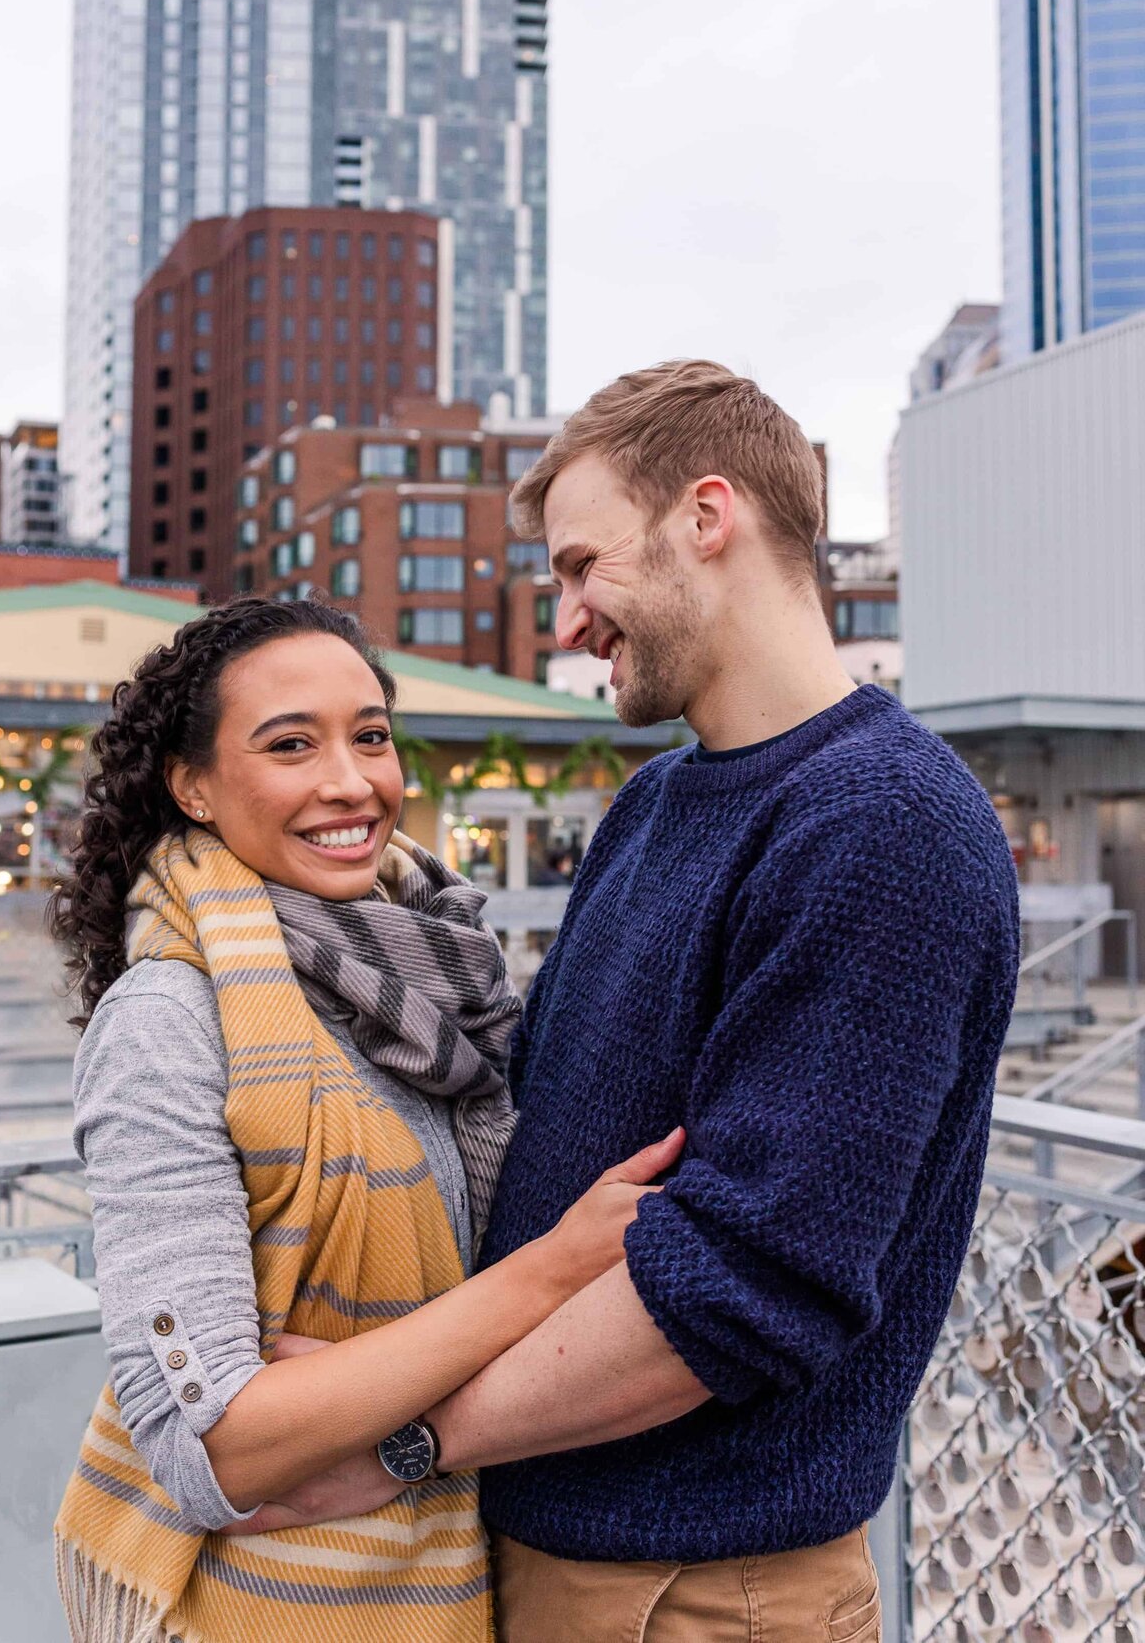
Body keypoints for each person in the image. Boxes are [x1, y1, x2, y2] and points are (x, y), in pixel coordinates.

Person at [255, 361, 1021, 1642]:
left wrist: (395, 1438)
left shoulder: (884, 823)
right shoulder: (659, 804)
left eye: (579, 565)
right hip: (551, 1548)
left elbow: (740, 1286)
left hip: (701, 1591)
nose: (566, 621)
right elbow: (535, 1117)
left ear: (706, 517)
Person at [47, 596, 681, 1643]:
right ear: (192, 785)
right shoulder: (168, 1017)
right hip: (258, 1605)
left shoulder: (433, 975)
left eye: (372, 735)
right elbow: (214, 1449)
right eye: (291, 743)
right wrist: (551, 1270)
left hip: (450, 1573)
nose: (353, 781)